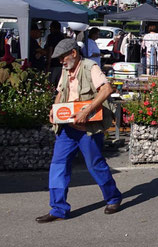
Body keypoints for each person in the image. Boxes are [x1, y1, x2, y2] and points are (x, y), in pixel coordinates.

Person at [36, 39, 121, 223]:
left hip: (88, 127)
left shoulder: (91, 67)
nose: (61, 62)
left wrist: (87, 110)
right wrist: (54, 109)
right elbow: (60, 92)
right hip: (67, 127)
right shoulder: (66, 71)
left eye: (62, 57)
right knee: (58, 166)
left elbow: (106, 89)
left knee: (95, 165)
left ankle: (113, 198)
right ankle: (58, 209)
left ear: (74, 53)